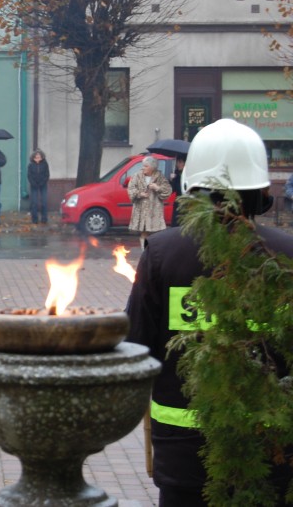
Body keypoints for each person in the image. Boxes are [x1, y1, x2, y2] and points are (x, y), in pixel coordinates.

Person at [126, 119, 293, 506]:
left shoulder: (163, 254)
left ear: (193, 186)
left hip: (185, 455)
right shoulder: (285, 256)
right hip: (271, 453)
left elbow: (135, 347)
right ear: (261, 190)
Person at [127, 155, 172, 249]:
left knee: (155, 233)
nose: (143, 168)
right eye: (143, 165)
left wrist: (157, 188)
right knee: (144, 233)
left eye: (146, 166)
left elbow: (168, 191)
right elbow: (131, 189)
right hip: (141, 210)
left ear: (152, 167)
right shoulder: (137, 176)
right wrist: (140, 194)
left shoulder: (160, 177)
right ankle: (145, 252)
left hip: (154, 211)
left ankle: (154, 252)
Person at [27, 148, 51, 224]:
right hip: (34, 185)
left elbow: (47, 175)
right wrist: (33, 183)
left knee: (44, 202)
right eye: (36, 157)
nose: (38, 158)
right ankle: (34, 219)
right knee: (34, 203)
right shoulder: (31, 165)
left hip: (43, 185)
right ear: (33, 157)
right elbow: (29, 176)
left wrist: (42, 182)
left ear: (42, 157)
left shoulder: (45, 164)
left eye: (39, 157)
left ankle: (44, 218)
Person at [168, 154, 187, 227]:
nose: (178, 164)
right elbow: (172, 190)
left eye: (180, 162)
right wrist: (172, 180)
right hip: (178, 204)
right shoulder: (176, 174)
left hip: (186, 204)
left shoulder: (187, 175)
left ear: (185, 163)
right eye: (177, 162)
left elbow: (182, 190)